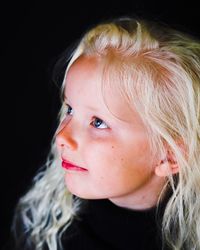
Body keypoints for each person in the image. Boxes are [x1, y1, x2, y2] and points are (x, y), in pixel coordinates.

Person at [12, 17, 200, 250]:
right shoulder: (47, 228)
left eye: (98, 122)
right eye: (69, 109)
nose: (62, 136)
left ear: (169, 155)